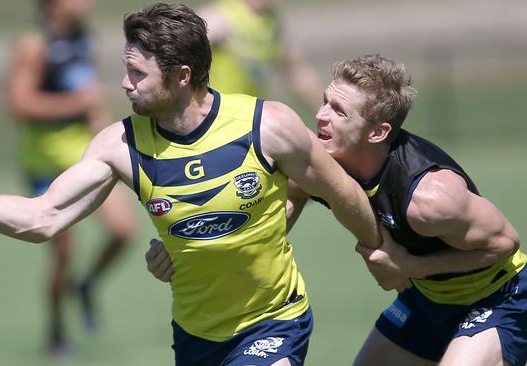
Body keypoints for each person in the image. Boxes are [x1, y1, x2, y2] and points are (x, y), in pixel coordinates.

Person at [0, 4, 381, 365]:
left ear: (181, 76)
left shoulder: (268, 125)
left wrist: (382, 254)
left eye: (138, 74)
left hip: (275, 321)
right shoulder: (120, 146)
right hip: (196, 335)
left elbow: (340, 190)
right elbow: (43, 216)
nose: (124, 85)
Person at [146, 54, 527, 366]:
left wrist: (411, 268)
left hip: (500, 297)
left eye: (340, 111)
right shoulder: (318, 164)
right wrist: (193, 251)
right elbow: (283, 207)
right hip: (428, 300)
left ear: (377, 132)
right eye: (325, 101)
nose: (321, 115)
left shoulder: (429, 199)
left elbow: (505, 244)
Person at [6, 0, 136, 354]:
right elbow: (19, 104)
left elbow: (90, 97)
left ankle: (87, 285)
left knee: (124, 231)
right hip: (45, 159)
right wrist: (76, 104)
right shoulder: (34, 42)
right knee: (64, 251)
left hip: (85, 153)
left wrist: (103, 124)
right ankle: (56, 333)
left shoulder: (83, 36)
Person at [199, 0, 324, 110]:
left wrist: (330, 110)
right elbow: (183, 53)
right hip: (215, 116)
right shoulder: (219, 18)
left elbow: (298, 74)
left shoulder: (272, 24)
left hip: (249, 117)